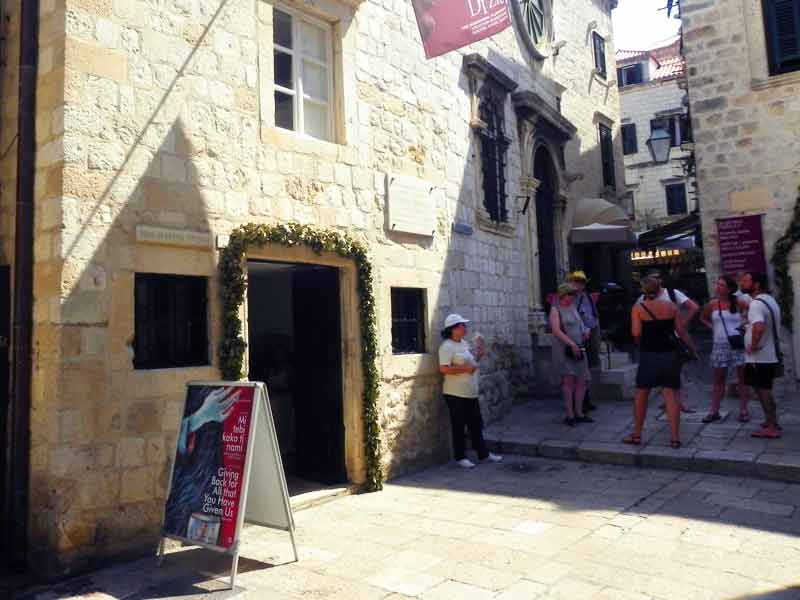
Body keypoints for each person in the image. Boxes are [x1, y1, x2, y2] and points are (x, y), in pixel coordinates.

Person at [623, 276, 692, 448]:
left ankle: (637, 434)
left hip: (649, 354)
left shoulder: (638, 308)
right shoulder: (671, 306)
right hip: (670, 354)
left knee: (641, 394)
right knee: (671, 395)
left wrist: (642, 343)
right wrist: (692, 349)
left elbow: (636, 333)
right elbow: (680, 331)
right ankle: (675, 438)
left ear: (643, 290)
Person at [439, 313, 502, 468]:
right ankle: (460, 457)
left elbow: (472, 364)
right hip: (454, 393)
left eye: (464, 325)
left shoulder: (464, 344)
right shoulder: (446, 346)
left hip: (470, 392)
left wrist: (479, 354)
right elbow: (444, 369)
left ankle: (483, 454)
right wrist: (465, 368)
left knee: (476, 424)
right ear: (453, 329)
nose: (465, 328)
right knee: (459, 425)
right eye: (462, 326)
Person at [699, 275, 750, 423]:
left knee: (742, 378)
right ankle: (714, 411)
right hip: (719, 344)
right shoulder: (712, 304)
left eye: (721, 285)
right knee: (718, 379)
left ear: (729, 289)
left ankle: (744, 410)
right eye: (717, 284)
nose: (717, 287)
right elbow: (703, 317)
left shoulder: (739, 302)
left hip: (737, 342)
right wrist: (712, 327)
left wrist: (744, 324)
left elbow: (750, 313)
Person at [740, 272, 783, 438]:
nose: (742, 283)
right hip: (769, 354)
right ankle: (772, 421)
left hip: (759, 357)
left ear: (756, 284)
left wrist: (753, 346)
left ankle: (771, 427)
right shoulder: (769, 300)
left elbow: (759, 326)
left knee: (763, 391)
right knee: (765, 390)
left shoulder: (756, 304)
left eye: (745, 281)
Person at [549, 283, 593, 426]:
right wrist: (571, 344)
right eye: (570, 294)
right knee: (569, 381)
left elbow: (580, 323)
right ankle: (570, 414)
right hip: (565, 349)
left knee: (582, 380)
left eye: (573, 295)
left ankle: (579, 413)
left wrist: (585, 330)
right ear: (563, 295)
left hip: (579, 347)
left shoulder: (573, 307)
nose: (572, 298)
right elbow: (556, 330)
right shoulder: (555, 310)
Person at [567, 270, 600, 412]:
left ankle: (585, 400)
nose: (579, 285)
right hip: (578, 335)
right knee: (578, 370)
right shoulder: (569, 298)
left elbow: (591, 315)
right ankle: (579, 404)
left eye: (581, 282)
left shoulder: (586, 296)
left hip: (589, 334)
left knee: (586, 370)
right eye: (576, 281)